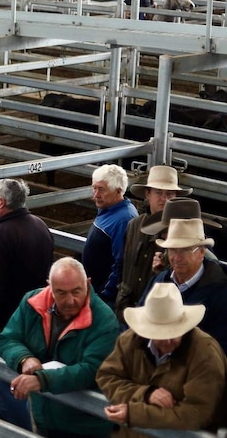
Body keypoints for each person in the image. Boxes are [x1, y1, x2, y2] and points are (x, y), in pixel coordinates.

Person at [0, 257, 120, 438]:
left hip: (86, 423)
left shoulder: (104, 321)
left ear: (87, 283)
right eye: (61, 293)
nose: (70, 300)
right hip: (44, 415)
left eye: (76, 291)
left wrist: (42, 380)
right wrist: (24, 357)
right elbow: (8, 338)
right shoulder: (32, 303)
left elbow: (92, 369)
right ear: (49, 286)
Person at [97, 283, 226, 437]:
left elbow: (197, 413)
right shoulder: (128, 341)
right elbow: (106, 377)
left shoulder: (206, 353)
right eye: (160, 334)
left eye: (173, 333)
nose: (167, 341)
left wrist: (135, 414)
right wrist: (145, 393)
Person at [0, 178, 54, 431]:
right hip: (36, 317)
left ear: (1, 202)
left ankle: (16, 431)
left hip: (6, 325)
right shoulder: (41, 226)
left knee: (8, 383)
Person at [138, 218, 227, 352]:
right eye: (173, 250)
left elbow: (219, 350)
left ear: (202, 252)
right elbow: (138, 322)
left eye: (186, 250)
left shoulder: (220, 293)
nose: (177, 257)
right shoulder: (159, 280)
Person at [116, 166, 190, 320]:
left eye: (169, 194)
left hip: (158, 316)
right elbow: (121, 264)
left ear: (176, 197)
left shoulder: (183, 232)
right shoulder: (134, 225)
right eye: (158, 193)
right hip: (126, 311)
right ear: (147, 194)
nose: (164, 199)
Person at [82, 164, 138, 304]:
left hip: (104, 300)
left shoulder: (124, 219)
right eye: (94, 188)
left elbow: (121, 263)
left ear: (118, 191)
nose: (96, 195)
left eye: (101, 189)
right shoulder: (108, 210)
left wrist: (103, 295)